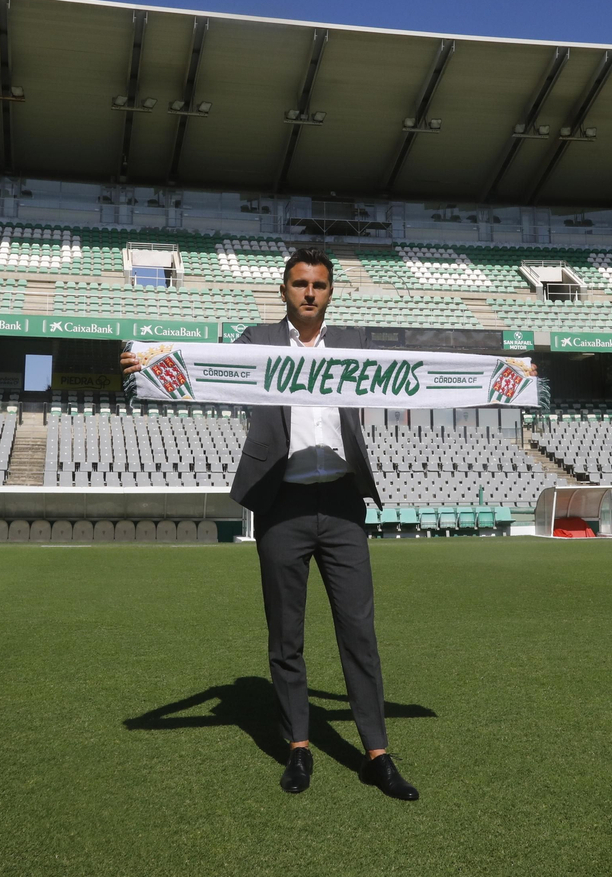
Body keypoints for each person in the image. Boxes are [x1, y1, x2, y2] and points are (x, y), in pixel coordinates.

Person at [121, 247, 419, 801]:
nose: (310, 293)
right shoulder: (257, 341)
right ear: (283, 290)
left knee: (359, 632)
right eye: (300, 284)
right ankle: (298, 746)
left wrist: (509, 374)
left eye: (319, 285)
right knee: (286, 635)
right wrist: (153, 360)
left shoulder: (353, 343)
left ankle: (377, 754)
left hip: (343, 505)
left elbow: (422, 370)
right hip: (282, 504)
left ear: (330, 293)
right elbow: (204, 364)